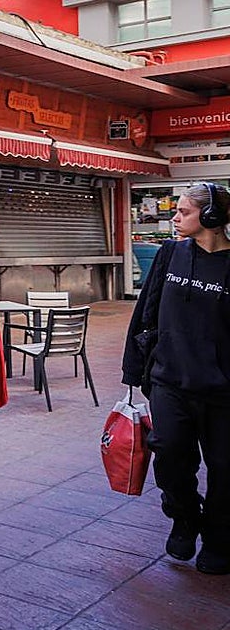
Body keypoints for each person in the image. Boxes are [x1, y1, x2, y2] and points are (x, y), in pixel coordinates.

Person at [122, 182, 230, 575]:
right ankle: (185, 518)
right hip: (168, 380)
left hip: (222, 391)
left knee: (224, 469)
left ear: (212, 218)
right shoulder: (171, 253)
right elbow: (146, 311)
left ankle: (219, 539)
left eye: (183, 212)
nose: (175, 217)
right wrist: (135, 369)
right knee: (169, 457)